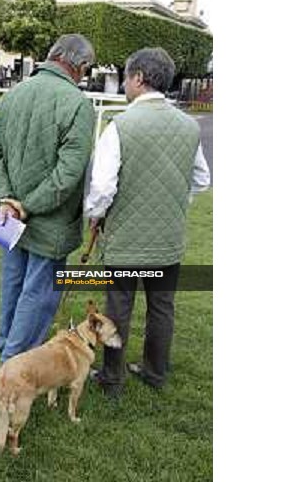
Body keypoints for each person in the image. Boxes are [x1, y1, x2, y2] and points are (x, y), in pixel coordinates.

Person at [84, 47, 211, 398]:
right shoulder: (189, 126)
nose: (125, 84)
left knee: (119, 308)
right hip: (168, 239)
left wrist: (95, 216)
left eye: (126, 77)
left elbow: (103, 187)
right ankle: (155, 372)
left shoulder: (120, 125)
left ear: (138, 78)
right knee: (161, 307)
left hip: (126, 240)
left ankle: (112, 378)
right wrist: (172, 202)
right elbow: (201, 178)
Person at [0, 34, 96, 363]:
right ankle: (15, 360)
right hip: (49, 219)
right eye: (86, 69)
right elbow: (68, 175)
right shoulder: (77, 103)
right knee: (38, 293)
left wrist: (7, 201)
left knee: (14, 281)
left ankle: (6, 342)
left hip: (12, 216)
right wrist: (23, 206)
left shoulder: (11, 95)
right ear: (80, 64)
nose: (85, 74)